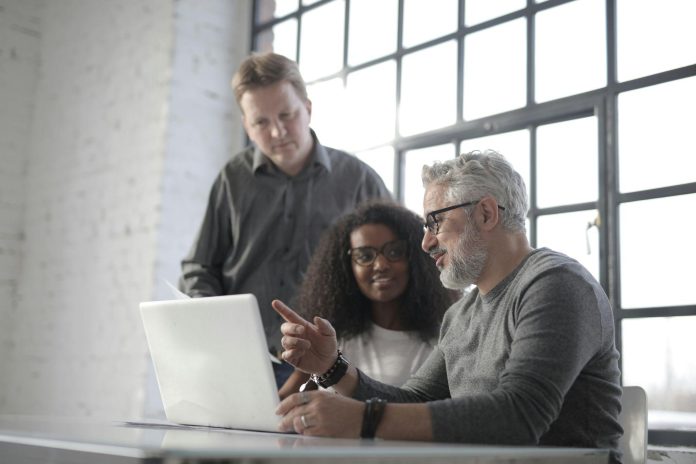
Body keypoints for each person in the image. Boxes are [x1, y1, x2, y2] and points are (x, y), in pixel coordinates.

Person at [272, 150, 623, 463]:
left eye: (435, 222)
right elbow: (416, 401)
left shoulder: (557, 285)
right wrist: (333, 369)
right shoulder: (461, 313)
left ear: (485, 213)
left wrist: (362, 420)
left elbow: (519, 416)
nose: (425, 243)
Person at [179, 52, 391, 387]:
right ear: (247, 126)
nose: (277, 132)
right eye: (261, 122)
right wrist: (214, 325)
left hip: (337, 365)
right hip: (242, 363)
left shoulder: (359, 181)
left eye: (286, 115)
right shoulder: (231, 180)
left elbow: (393, 270)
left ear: (307, 109)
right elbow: (199, 269)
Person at [278, 201, 457, 399]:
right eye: (365, 256)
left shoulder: (442, 339)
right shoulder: (330, 335)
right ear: (347, 267)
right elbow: (280, 409)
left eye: (394, 252)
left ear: (415, 258)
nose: (381, 265)